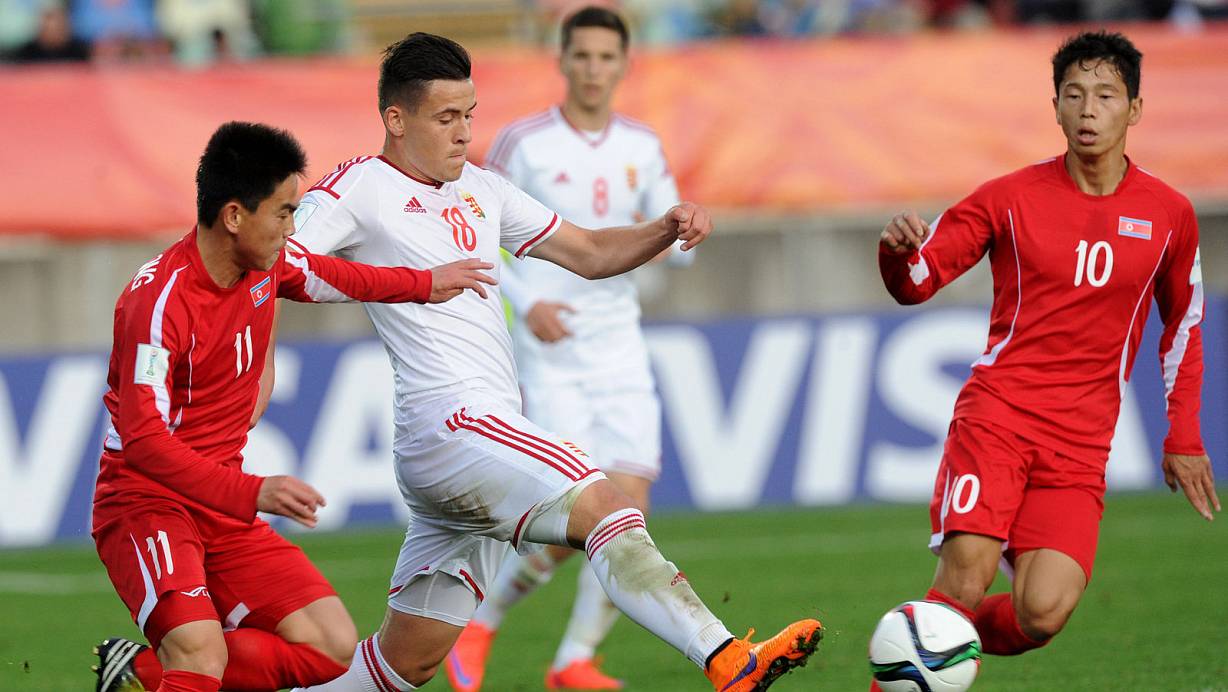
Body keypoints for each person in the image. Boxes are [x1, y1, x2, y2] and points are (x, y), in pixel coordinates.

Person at [286, 32, 822, 692]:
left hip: (466, 453)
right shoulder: (359, 186)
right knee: (607, 504)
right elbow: (282, 264)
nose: (463, 132)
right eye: (445, 117)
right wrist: (412, 284)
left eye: (469, 114)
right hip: (452, 425)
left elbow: (590, 252)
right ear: (396, 119)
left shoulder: (482, 188)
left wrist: (663, 227)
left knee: (406, 664)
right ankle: (727, 658)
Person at [90, 121, 497, 692]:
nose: (292, 228)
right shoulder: (158, 304)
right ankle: (180, 666)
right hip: (148, 503)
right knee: (199, 652)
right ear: (235, 216)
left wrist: (423, 283)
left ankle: (139, 672)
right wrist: (251, 492)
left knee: (329, 645)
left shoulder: (263, 269)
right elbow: (145, 443)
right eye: (284, 213)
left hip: (221, 506)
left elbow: (333, 274)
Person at [874, 30, 1217, 688]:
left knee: (1042, 611)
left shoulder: (1170, 214)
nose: (1088, 109)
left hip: (1080, 443)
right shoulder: (1008, 198)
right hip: (997, 419)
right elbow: (917, 281)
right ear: (1055, 106)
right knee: (965, 580)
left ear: (1135, 109)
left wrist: (1183, 435)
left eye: (1106, 96)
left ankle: (916, 639)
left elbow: (1184, 326)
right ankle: (923, 644)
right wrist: (896, 253)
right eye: (1074, 94)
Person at [445, 7, 692, 690]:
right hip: (550, 349)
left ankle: (574, 659)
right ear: (561, 60)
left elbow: (677, 241)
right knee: (574, 516)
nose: (593, 69)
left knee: (630, 510)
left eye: (605, 57)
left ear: (624, 65)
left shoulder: (642, 145)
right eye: (581, 55)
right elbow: (475, 228)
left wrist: (683, 233)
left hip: (620, 345)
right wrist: (528, 303)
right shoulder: (525, 143)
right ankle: (482, 621)